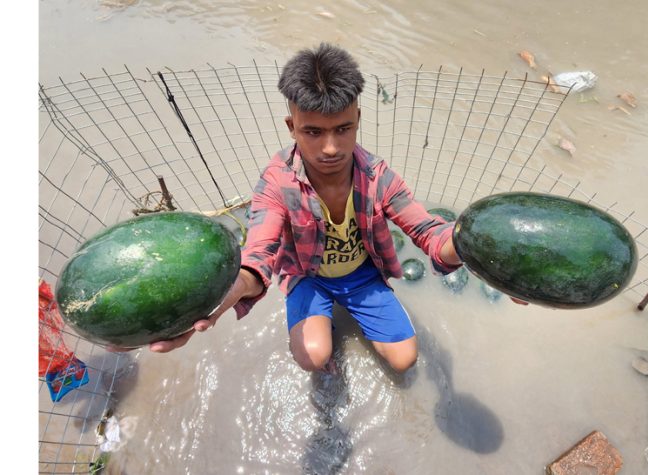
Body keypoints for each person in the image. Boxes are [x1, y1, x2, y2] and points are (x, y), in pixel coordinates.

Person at [147, 43, 465, 373]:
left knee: (404, 360)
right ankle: (321, 329)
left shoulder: (378, 177)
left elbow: (429, 232)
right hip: (309, 276)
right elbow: (259, 252)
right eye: (313, 132)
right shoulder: (278, 183)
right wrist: (230, 289)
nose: (330, 148)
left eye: (343, 129)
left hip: (363, 275)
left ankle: (344, 314)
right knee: (313, 358)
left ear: (357, 119)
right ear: (291, 126)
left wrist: (470, 246)